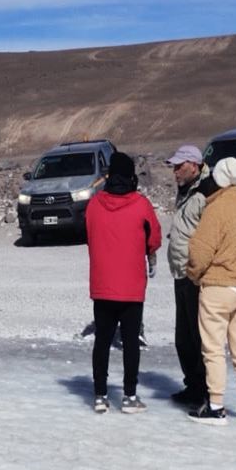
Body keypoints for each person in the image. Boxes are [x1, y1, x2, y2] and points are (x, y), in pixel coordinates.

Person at [185, 157, 236, 426]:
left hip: (218, 288)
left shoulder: (216, 209)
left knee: (214, 348)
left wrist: (194, 275)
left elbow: (200, 251)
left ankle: (216, 406)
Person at [85, 152, 161, 414]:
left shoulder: (94, 204)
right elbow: (154, 237)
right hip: (131, 287)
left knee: (102, 342)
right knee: (130, 342)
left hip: (103, 285)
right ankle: (129, 396)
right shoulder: (141, 205)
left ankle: (99, 395)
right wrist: (148, 253)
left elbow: (89, 234)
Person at [165, 144, 217, 406]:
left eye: (179, 166)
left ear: (194, 166)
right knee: (183, 337)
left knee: (199, 336)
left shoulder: (207, 191)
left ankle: (208, 391)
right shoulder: (187, 190)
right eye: (174, 167)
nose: (175, 172)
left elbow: (209, 233)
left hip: (197, 274)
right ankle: (193, 385)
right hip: (180, 271)